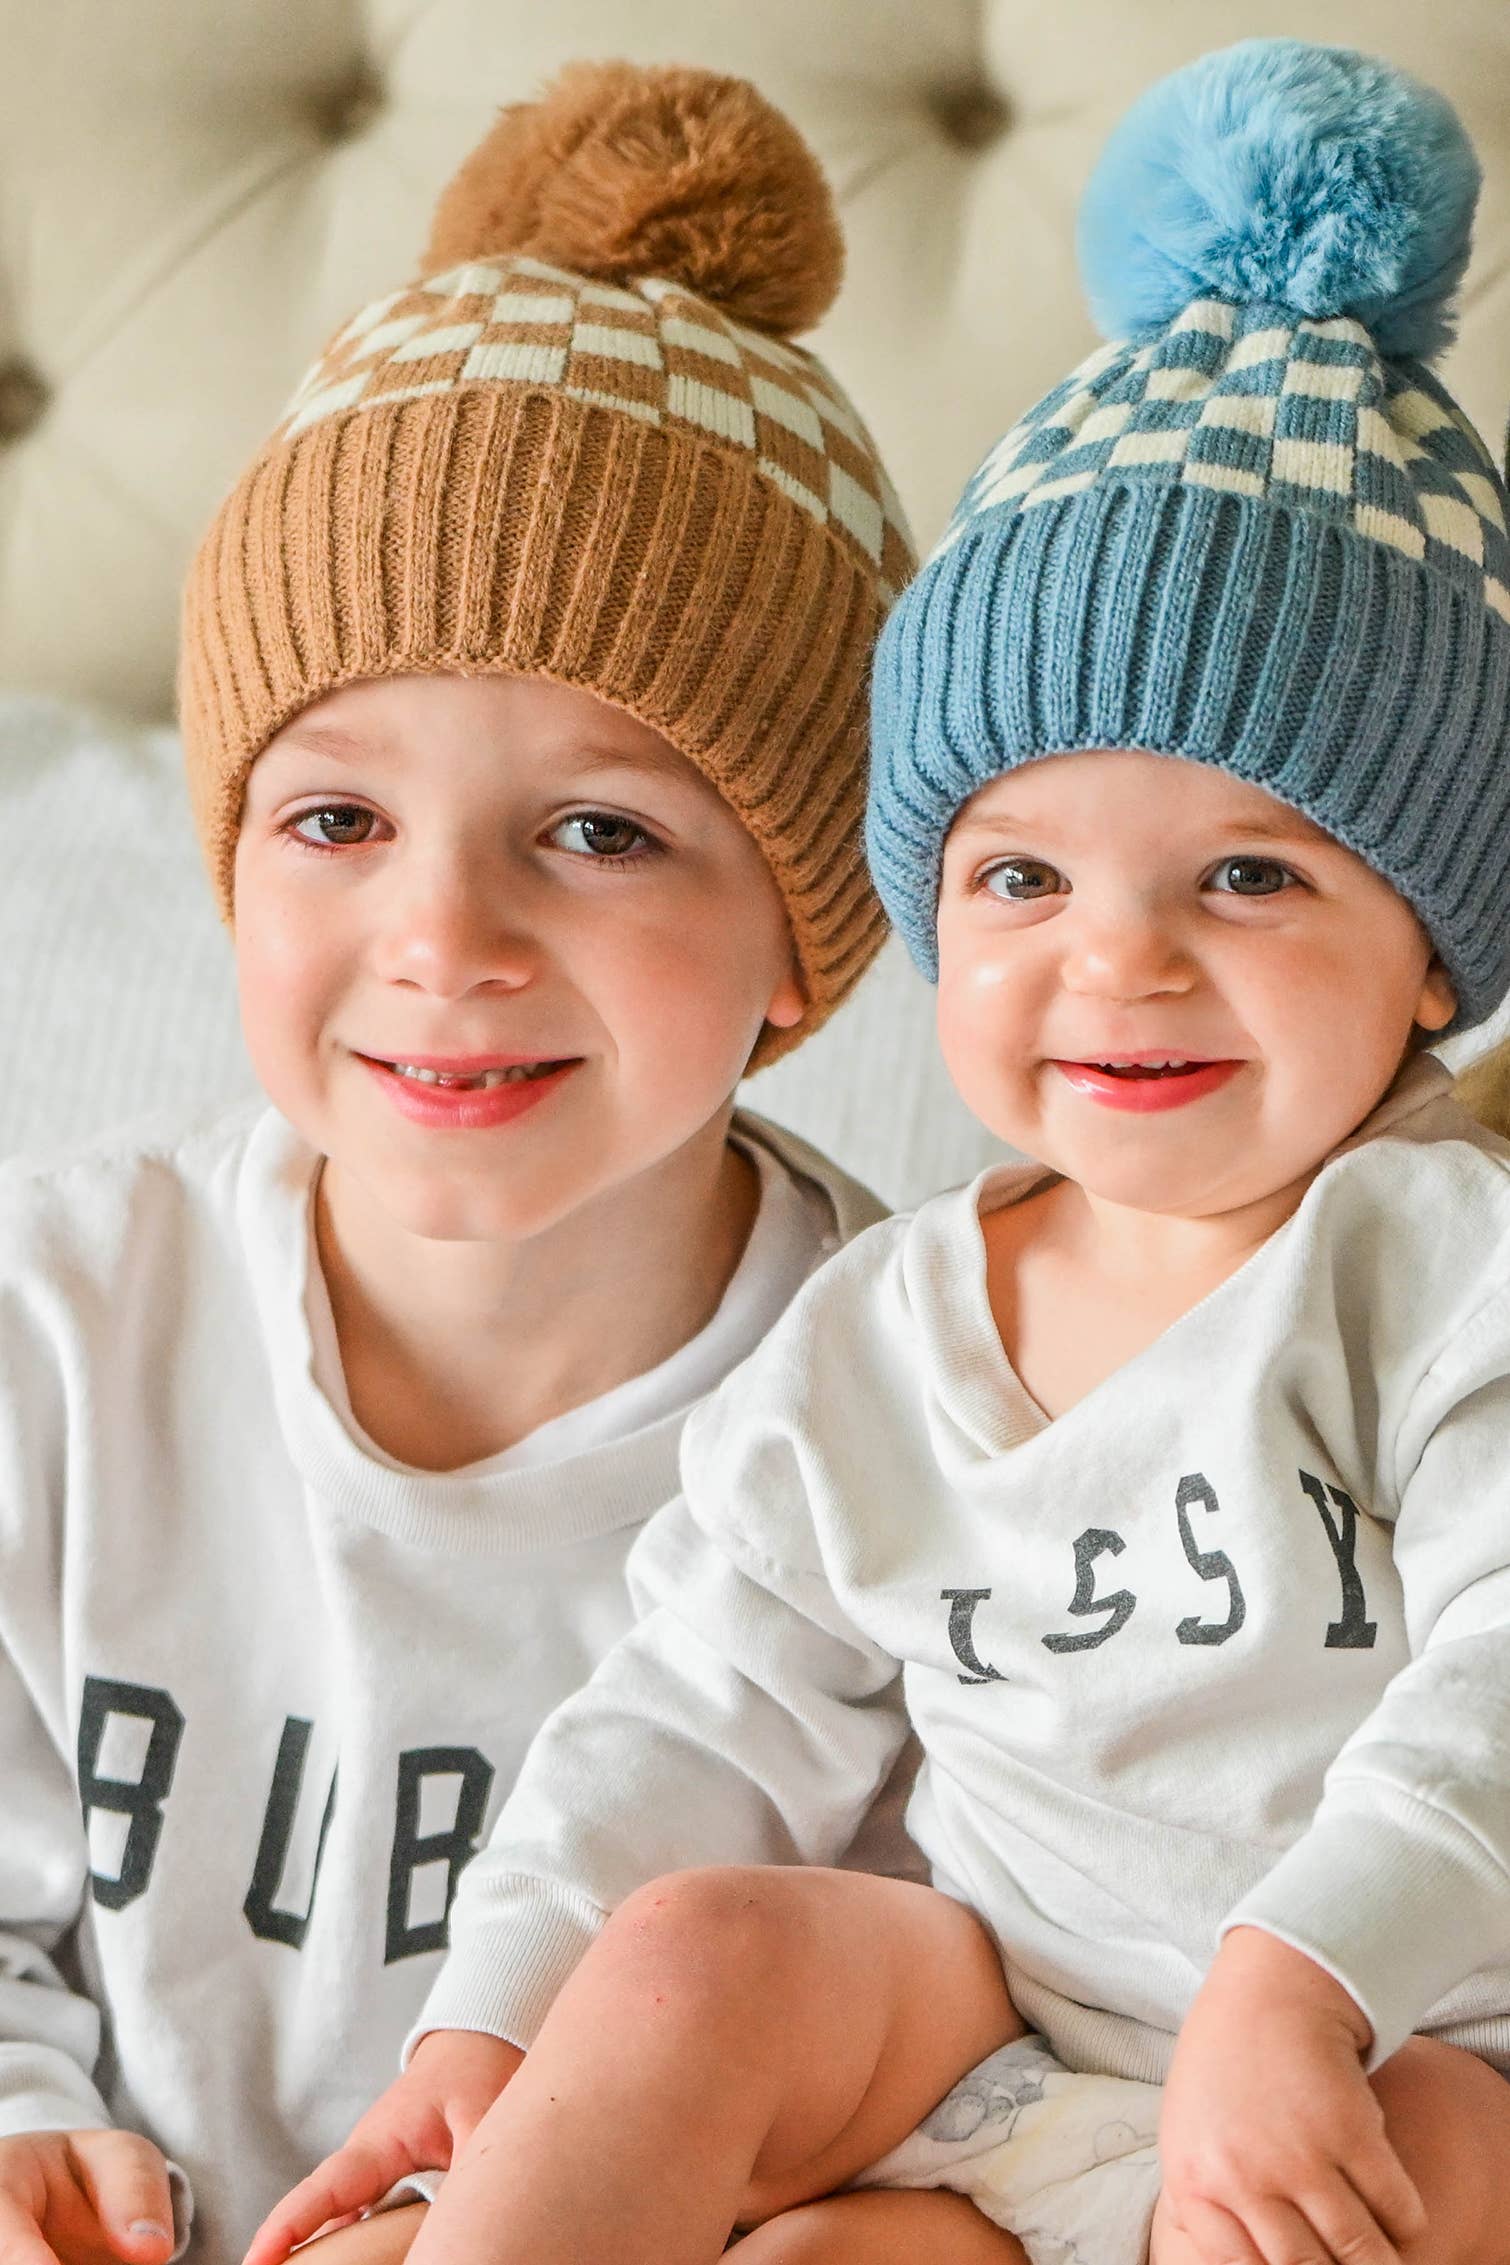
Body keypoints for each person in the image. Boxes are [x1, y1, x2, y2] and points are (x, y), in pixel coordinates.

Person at [252, 39, 1510, 2265]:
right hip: (996, 2017)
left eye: (1244, 879)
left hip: (1385, 2028)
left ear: (1429, 955)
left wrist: (1294, 1975)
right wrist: (495, 2012)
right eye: (1017, 880)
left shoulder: (1427, 1262)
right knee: (699, 1945)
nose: (1112, 967)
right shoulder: (893, 1319)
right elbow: (695, 1688)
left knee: (1418, 2172)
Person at [0, 61, 920, 2265]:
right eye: (335, 817)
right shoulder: (60, 1322)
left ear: (805, 937)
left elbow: (956, 2027)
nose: (444, 939)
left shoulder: (917, 1418)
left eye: (599, 830)